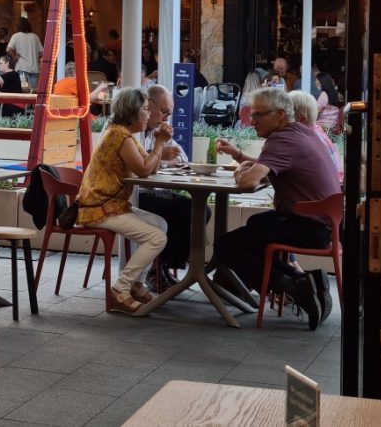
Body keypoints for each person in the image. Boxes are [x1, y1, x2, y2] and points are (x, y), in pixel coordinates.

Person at [213, 88, 341, 331]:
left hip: (309, 227)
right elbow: (271, 168)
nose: (252, 121)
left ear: (281, 115)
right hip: (325, 223)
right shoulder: (301, 132)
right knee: (256, 226)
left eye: (259, 115)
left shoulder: (282, 139)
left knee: (226, 245)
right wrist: (243, 159)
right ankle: (303, 282)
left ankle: (298, 285)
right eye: (252, 114)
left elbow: (249, 181)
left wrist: (242, 171)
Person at [77, 87, 169, 314]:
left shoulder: (122, 133)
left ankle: (135, 284)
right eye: (146, 109)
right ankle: (120, 289)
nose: (149, 114)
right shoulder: (119, 136)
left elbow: (148, 164)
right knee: (156, 237)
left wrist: (159, 143)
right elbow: (144, 171)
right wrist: (159, 144)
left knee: (160, 224)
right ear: (132, 112)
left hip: (111, 205)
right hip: (99, 208)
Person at [135, 85, 208, 288]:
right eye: (164, 111)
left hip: (151, 191)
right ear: (148, 105)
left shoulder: (155, 130)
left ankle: (163, 265)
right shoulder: (132, 130)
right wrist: (161, 154)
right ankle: (157, 270)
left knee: (200, 211)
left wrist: (166, 154)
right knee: (187, 209)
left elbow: (182, 157)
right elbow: (140, 167)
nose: (166, 117)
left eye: (169, 113)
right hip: (131, 195)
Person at [289, 90, 343, 183]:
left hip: (321, 191)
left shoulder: (302, 138)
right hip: (335, 184)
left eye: (286, 113)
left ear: (301, 118)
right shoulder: (316, 130)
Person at [6, 17, 43, 90]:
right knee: (32, 92)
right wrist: (36, 59)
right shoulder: (35, 37)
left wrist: (15, 57)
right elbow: (42, 52)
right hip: (34, 68)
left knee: (22, 90)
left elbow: (8, 49)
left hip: (22, 67)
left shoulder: (16, 36)